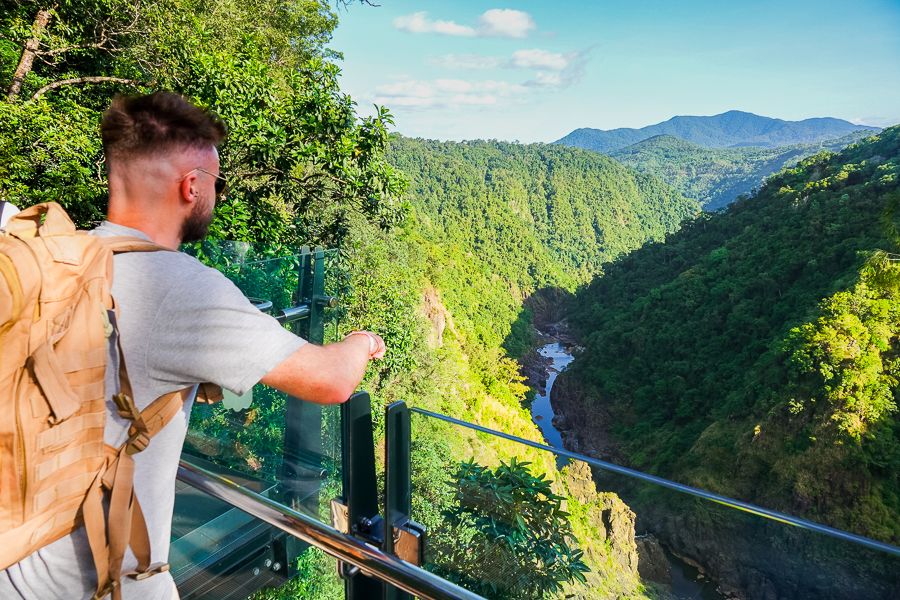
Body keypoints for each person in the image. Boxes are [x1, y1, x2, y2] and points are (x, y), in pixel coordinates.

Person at [0, 91, 385, 599]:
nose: (217, 195)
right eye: (216, 183)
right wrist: (360, 341)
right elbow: (330, 380)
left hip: (18, 563)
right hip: (102, 585)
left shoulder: (63, 260)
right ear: (190, 186)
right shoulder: (181, 287)